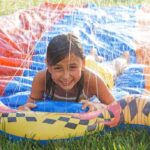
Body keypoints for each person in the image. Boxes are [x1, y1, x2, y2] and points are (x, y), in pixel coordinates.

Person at [18, 33, 128, 112]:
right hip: (82, 64)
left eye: (72, 67)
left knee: (114, 67)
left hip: (101, 72)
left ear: (82, 64)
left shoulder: (92, 80)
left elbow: (115, 107)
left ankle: (124, 57)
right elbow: (30, 104)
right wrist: (24, 108)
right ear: (48, 65)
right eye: (58, 68)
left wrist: (100, 106)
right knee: (88, 59)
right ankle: (92, 54)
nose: (66, 76)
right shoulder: (41, 79)